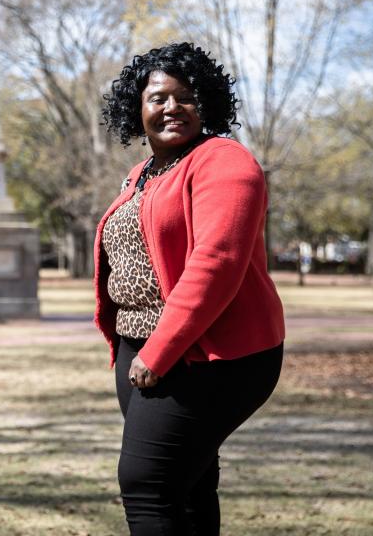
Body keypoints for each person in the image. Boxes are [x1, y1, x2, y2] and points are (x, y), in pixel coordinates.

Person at [94, 42, 286, 535]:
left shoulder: (225, 162)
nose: (171, 107)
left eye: (186, 97)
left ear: (209, 104)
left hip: (209, 354)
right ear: (137, 109)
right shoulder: (142, 175)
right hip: (141, 347)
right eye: (158, 97)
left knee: (147, 484)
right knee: (189, 484)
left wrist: (158, 352)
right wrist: (131, 347)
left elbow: (215, 263)